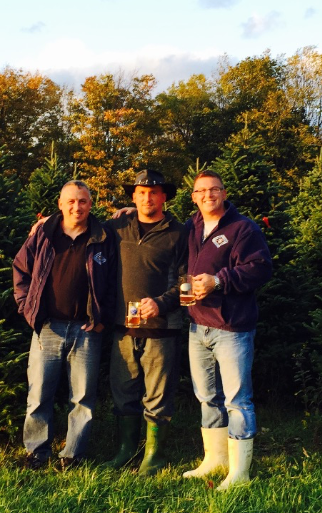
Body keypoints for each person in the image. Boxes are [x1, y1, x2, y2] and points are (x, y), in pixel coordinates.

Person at [12, 180, 116, 470]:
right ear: (60, 204)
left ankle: (73, 455)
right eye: (70, 201)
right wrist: (27, 308)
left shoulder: (103, 237)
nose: (76, 207)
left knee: (82, 397)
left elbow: (112, 284)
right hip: (48, 328)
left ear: (91, 204)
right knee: (39, 394)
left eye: (82, 201)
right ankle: (36, 453)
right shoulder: (44, 235)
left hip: (87, 330)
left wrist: (101, 320)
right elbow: (21, 269)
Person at [181, 170, 272, 490]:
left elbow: (261, 268)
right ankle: (215, 459)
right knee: (206, 396)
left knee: (237, 400)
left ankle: (240, 473)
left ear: (224, 192)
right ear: (193, 196)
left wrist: (219, 281)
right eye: (201, 191)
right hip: (198, 327)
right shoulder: (191, 227)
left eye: (214, 189)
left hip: (232, 328)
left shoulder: (242, 228)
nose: (208, 195)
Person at [105, 169, 187, 476]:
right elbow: (80, 226)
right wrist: (47, 222)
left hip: (162, 329)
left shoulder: (179, 232)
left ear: (164, 197)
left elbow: (186, 280)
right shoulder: (117, 226)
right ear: (133, 197)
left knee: (157, 394)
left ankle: (154, 455)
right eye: (141, 193)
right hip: (122, 328)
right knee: (124, 390)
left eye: (153, 192)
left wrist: (162, 303)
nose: (147, 197)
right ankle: (125, 450)